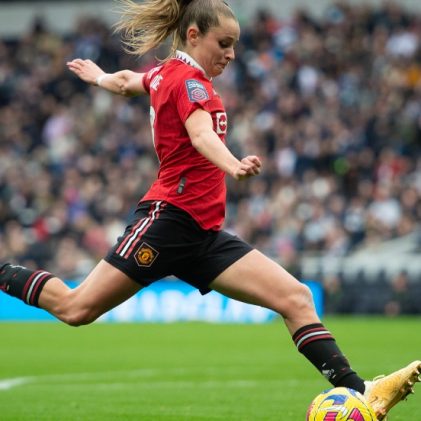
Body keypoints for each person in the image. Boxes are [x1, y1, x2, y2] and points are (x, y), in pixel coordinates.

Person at [0, 0, 419, 418]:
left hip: (201, 234)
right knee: (75, 308)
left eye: (234, 45)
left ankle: (361, 392)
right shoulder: (190, 83)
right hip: (167, 222)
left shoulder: (165, 74)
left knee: (296, 297)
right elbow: (201, 134)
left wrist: (100, 77)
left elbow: (129, 81)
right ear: (194, 36)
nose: (231, 54)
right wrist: (232, 165)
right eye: (224, 43)